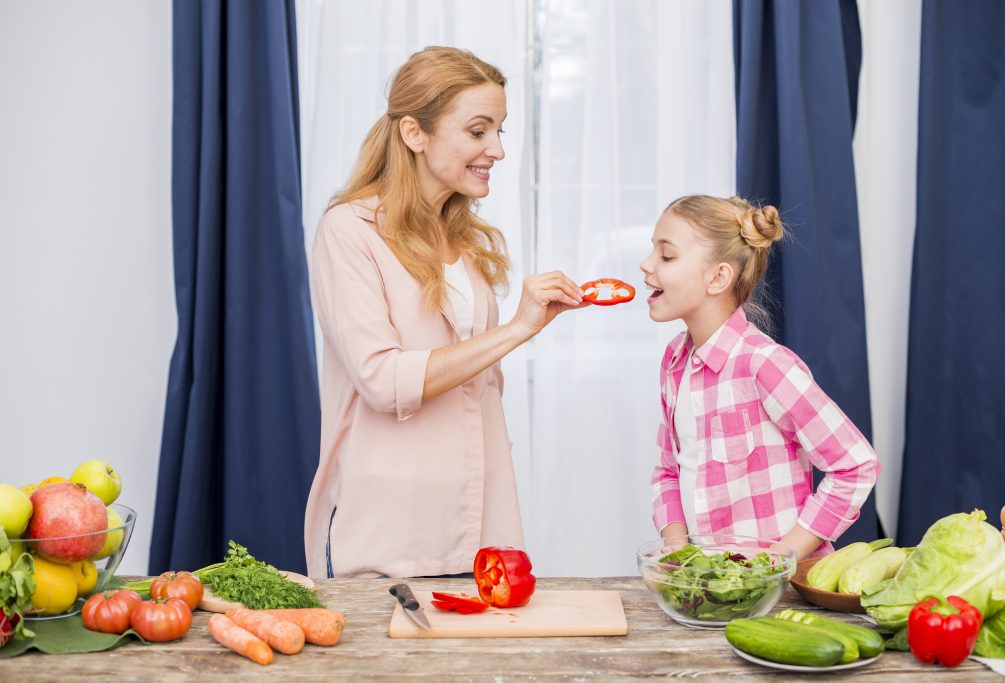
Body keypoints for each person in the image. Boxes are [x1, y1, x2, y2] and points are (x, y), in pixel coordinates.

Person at [304, 47, 586, 579]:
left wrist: (502, 529)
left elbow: (481, 394)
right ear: (415, 133)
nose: (497, 150)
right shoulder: (349, 232)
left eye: (500, 131)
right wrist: (518, 329)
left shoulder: (465, 241)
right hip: (389, 529)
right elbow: (382, 381)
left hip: (479, 526)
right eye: (479, 131)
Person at [641, 195, 879, 560]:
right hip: (711, 587)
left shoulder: (764, 364)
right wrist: (678, 556)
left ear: (719, 277)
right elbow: (668, 470)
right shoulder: (674, 361)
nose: (646, 265)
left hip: (779, 594)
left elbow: (856, 465)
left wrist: (778, 561)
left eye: (666, 256)